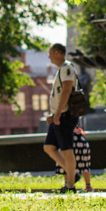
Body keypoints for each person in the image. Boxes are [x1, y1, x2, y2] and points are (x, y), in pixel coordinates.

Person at [42, 42, 79, 193]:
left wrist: (57, 114)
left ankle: (70, 185)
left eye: (50, 53)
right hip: (58, 115)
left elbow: (67, 90)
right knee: (49, 147)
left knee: (67, 151)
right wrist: (53, 114)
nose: (49, 56)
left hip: (64, 116)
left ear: (57, 53)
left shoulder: (67, 68)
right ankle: (72, 174)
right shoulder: (61, 70)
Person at [54, 125, 94, 192]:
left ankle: (68, 185)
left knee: (65, 161)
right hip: (80, 139)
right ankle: (88, 186)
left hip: (70, 139)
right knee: (84, 164)